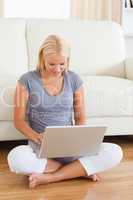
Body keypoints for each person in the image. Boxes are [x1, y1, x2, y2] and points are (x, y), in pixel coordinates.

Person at [7, 35, 123, 188]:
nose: (57, 69)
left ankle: (51, 177)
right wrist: (36, 137)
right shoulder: (27, 80)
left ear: (68, 60)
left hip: (71, 146)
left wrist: (80, 140)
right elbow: (19, 121)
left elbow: (80, 117)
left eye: (62, 64)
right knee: (16, 158)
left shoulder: (74, 79)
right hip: (41, 147)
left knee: (115, 152)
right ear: (42, 58)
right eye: (52, 64)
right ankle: (78, 170)